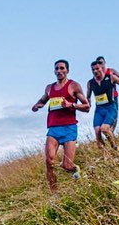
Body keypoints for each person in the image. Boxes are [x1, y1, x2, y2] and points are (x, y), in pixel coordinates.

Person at [32, 59, 90, 192]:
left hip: (69, 128)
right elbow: (43, 99)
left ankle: (76, 170)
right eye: (57, 68)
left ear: (67, 70)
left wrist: (71, 105)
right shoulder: (49, 88)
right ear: (54, 71)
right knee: (49, 161)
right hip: (53, 128)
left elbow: (87, 106)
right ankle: (54, 193)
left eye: (62, 68)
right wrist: (38, 105)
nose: (59, 71)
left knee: (67, 165)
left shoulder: (74, 86)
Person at [87, 60, 119, 150]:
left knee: (105, 129)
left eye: (97, 69)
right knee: (97, 132)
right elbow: (88, 96)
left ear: (102, 68)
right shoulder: (90, 83)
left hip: (110, 107)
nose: (95, 71)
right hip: (99, 110)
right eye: (93, 69)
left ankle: (115, 148)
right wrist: (88, 104)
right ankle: (105, 155)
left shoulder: (110, 77)